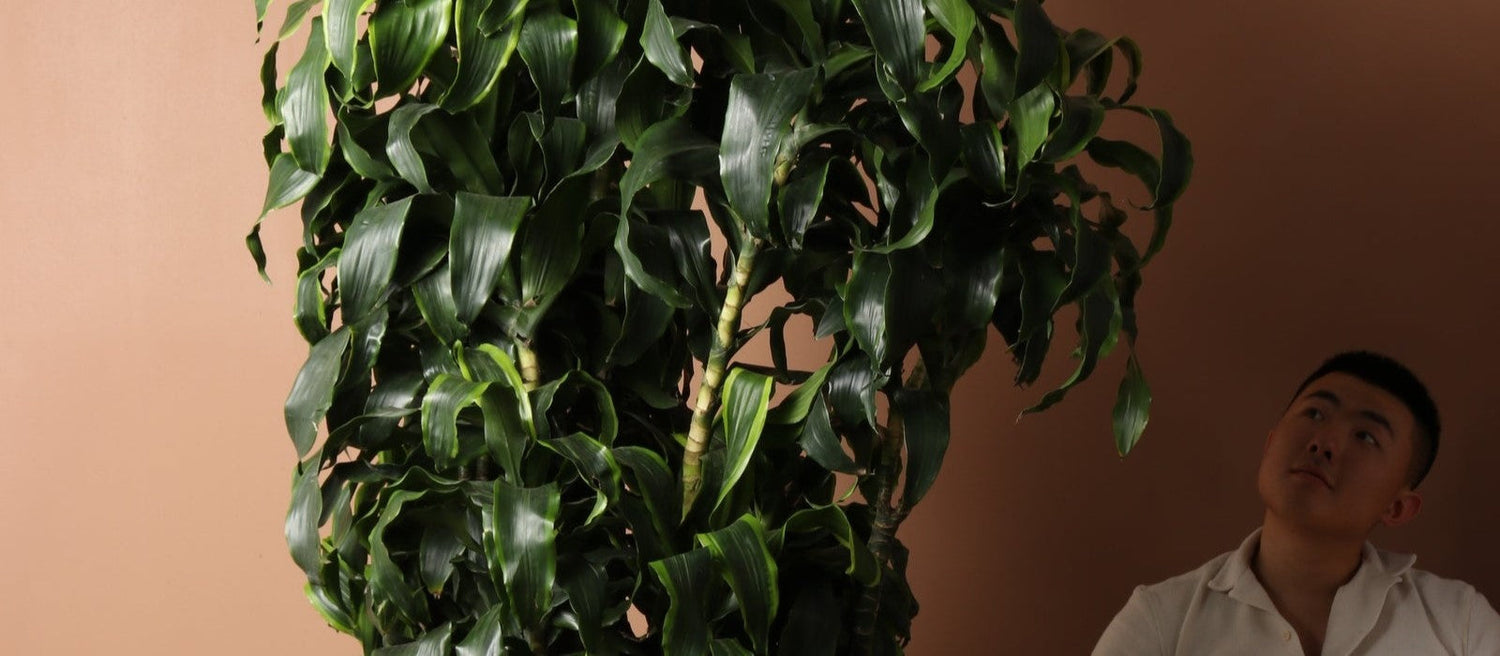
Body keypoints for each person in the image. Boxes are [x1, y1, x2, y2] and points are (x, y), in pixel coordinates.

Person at [1092, 351, 1500, 655]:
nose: (1324, 442)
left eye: (1366, 437)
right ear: (1270, 445)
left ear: (1397, 508)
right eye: (1316, 413)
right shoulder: (1162, 619)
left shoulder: (1457, 621)